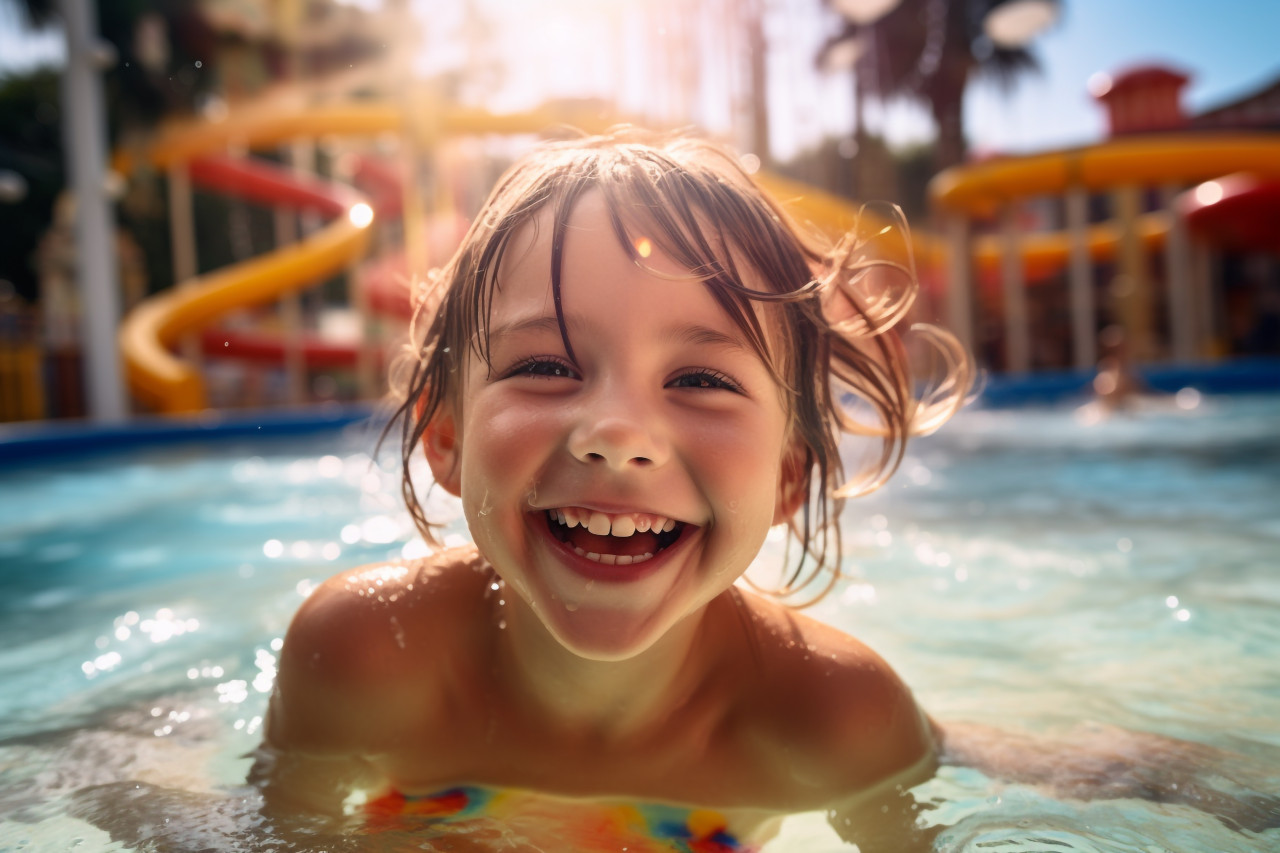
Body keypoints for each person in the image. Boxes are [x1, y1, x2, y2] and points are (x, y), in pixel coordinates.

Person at [252, 131, 1275, 851]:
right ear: (443, 435)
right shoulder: (359, 658)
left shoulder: (827, 723)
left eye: (698, 379)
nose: (615, 432)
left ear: (787, 478)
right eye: (545, 366)